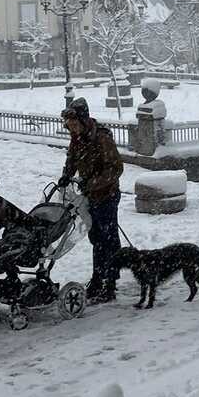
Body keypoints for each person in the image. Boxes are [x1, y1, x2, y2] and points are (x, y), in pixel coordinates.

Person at [57, 97, 124, 303]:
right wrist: (67, 174)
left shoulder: (101, 138)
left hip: (107, 195)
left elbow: (115, 168)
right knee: (96, 238)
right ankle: (98, 278)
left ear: (84, 120)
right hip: (91, 196)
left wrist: (93, 183)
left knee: (108, 239)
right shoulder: (77, 137)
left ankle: (109, 282)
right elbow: (72, 158)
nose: (72, 129)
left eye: (74, 124)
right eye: (69, 125)